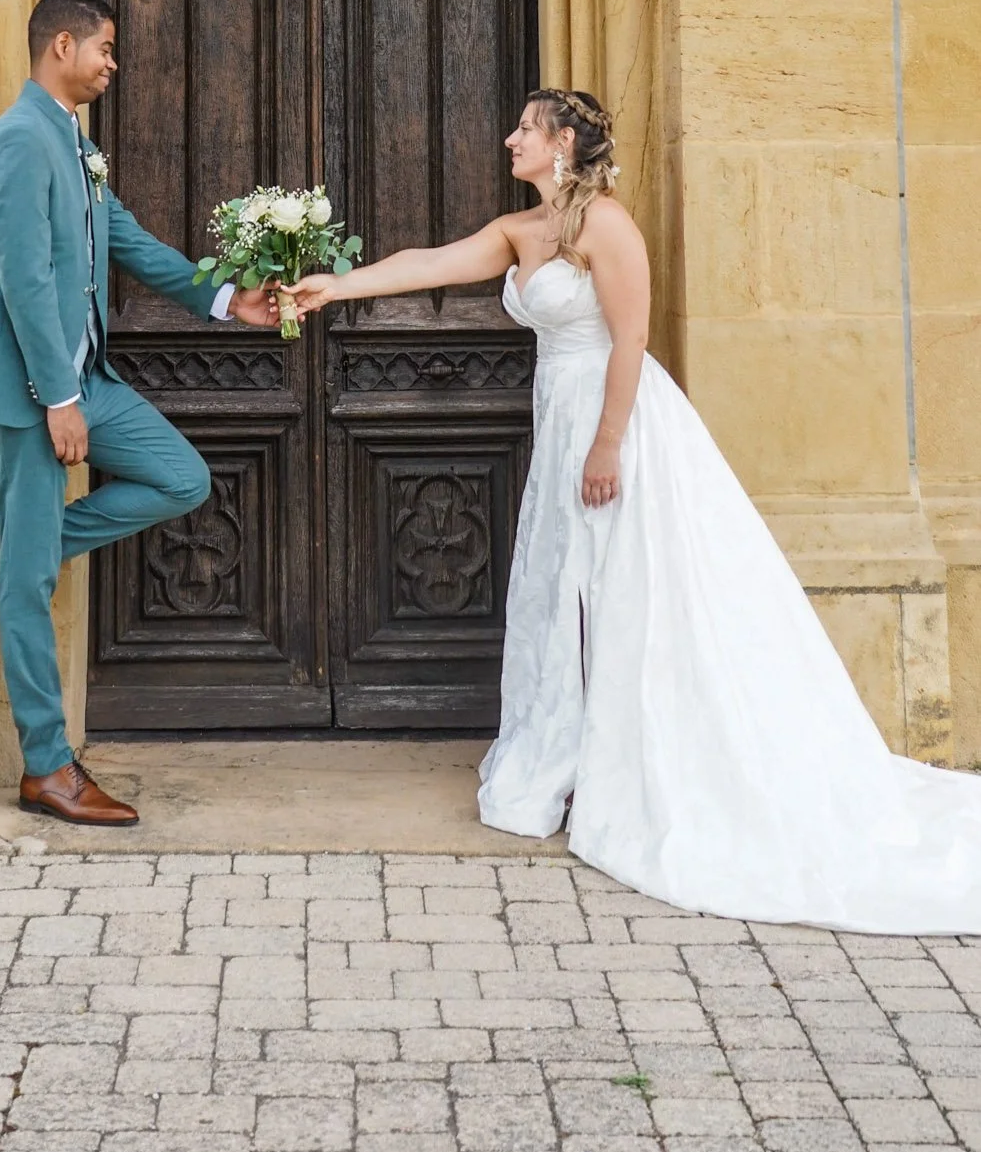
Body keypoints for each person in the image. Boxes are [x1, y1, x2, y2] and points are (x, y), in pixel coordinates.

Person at [288, 87, 981, 932]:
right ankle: (569, 755)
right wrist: (336, 286)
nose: (509, 140)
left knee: (630, 590)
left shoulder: (605, 227)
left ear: (564, 144)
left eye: (525, 130)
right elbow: (426, 262)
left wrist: (609, 443)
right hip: (561, 422)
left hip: (616, 426)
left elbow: (630, 336)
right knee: (563, 587)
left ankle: (645, 764)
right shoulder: (522, 230)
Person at [0, 0, 276, 826]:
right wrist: (58, 397)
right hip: (28, 385)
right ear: (62, 44)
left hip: (81, 374)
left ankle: (5, 543)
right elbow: (20, 279)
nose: (112, 64)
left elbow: (126, 241)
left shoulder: (73, 141)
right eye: (104, 48)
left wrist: (227, 300)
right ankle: (46, 767)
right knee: (27, 587)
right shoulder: (19, 141)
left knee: (180, 477)